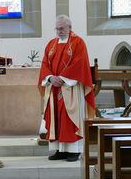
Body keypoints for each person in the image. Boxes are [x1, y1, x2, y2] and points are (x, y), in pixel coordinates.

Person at [38, 15, 95, 162]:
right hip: (54, 88)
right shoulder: (51, 44)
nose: (59, 32)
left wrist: (62, 78)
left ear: (69, 27)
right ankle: (59, 150)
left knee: (69, 118)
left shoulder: (78, 43)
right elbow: (44, 63)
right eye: (57, 29)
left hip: (71, 88)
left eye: (61, 29)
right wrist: (50, 77)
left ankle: (74, 150)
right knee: (55, 118)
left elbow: (79, 63)